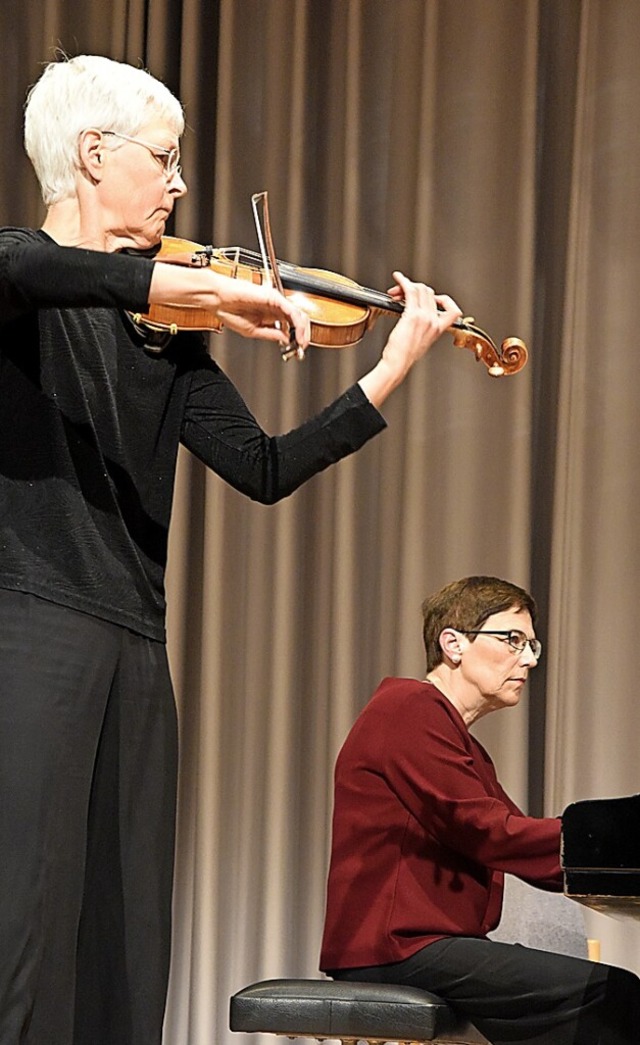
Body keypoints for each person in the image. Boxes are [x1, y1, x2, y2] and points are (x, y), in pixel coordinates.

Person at [0, 54, 462, 1045]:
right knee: (27, 927)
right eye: (163, 159)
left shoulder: (168, 340)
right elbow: (36, 267)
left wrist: (387, 371)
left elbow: (261, 466)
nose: (178, 184)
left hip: (137, 643)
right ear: (91, 154)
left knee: (131, 940)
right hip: (32, 627)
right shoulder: (17, 277)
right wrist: (197, 292)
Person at [320, 575, 640, 1044]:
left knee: (605, 1001)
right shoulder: (408, 708)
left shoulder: (455, 737)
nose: (529, 659)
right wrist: (609, 843)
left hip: (426, 945)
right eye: (513, 640)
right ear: (453, 643)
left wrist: (610, 862)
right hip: (396, 947)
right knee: (613, 995)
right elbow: (487, 830)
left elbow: (514, 837)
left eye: (533, 645)